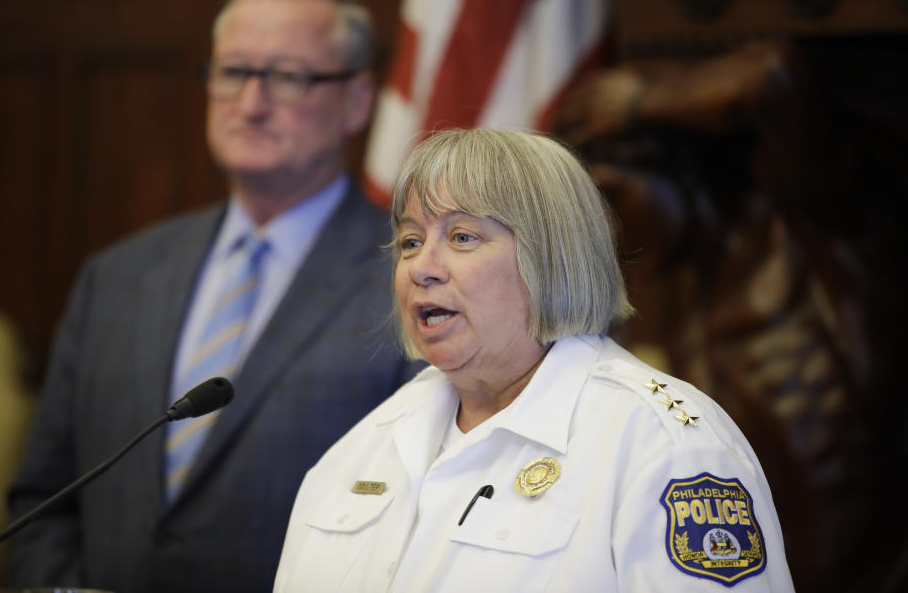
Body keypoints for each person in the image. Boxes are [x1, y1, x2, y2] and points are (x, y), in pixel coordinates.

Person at [7, 0, 421, 593]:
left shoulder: (415, 278)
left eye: (287, 77)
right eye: (233, 72)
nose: (250, 104)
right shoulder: (116, 276)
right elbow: (44, 499)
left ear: (358, 100)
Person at [274, 128, 795, 591]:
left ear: (550, 257)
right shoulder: (367, 443)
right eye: (411, 241)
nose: (421, 268)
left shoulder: (667, 444)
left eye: (461, 237)